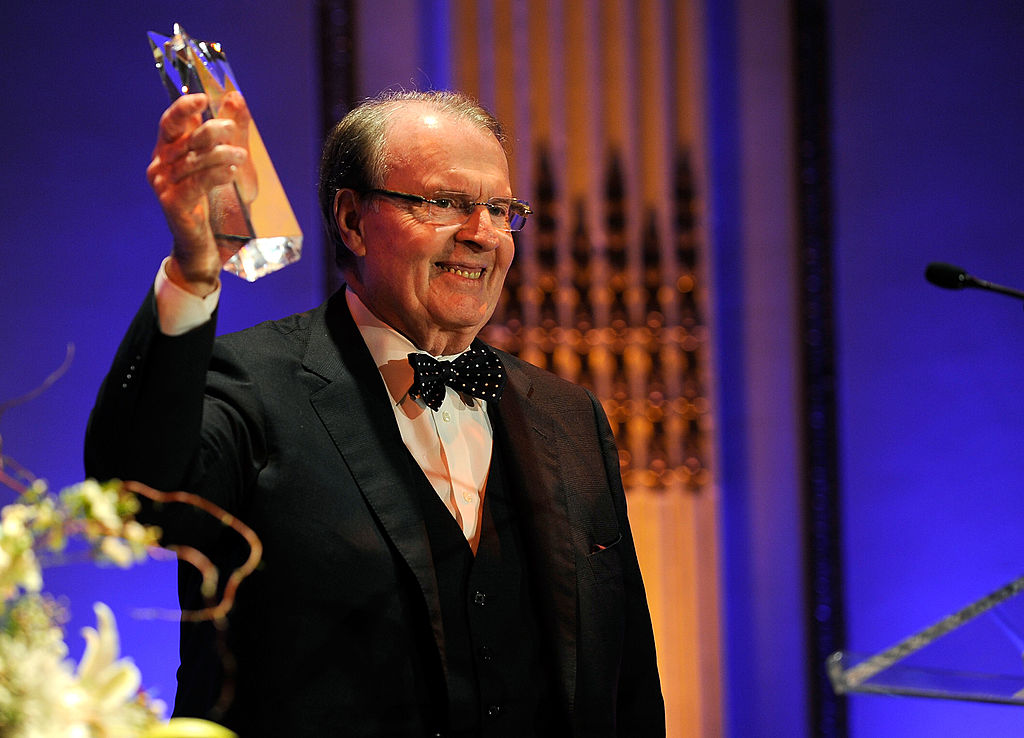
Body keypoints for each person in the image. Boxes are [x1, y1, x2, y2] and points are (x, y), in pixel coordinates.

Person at [85, 88, 665, 737]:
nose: (481, 234)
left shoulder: (568, 413)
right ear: (353, 220)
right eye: (444, 203)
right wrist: (195, 271)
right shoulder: (248, 382)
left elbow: (627, 681)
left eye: (499, 209)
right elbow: (140, 503)